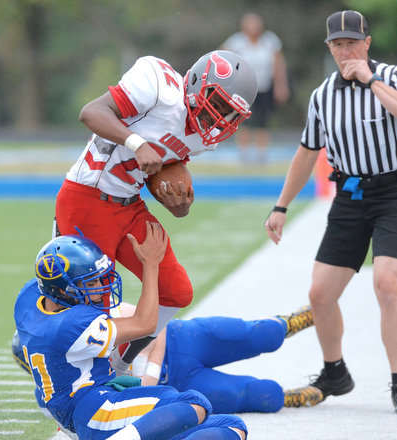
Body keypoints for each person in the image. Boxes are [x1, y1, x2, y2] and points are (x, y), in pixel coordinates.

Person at [54, 50, 258, 377]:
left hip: (129, 205)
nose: (216, 117)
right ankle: (69, 382)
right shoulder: (158, 85)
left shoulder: (205, 140)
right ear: (196, 83)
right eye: (216, 103)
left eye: (228, 112)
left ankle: (120, 363)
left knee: (176, 291)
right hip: (87, 199)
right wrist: (136, 143)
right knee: (91, 310)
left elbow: (157, 174)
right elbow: (91, 112)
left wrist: (181, 205)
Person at [13, 226, 249, 440]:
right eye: (91, 282)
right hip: (95, 411)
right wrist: (150, 265)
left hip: (90, 408)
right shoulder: (70, 327)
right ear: (64, 290)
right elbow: (145, 323)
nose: (100, 286)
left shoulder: (31, 298)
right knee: (194, 402)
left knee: (234, 427)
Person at [264, 10, 397, 412]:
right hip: (350, 197)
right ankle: (335, 371)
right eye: (337, 44)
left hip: (392, 193)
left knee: (388, 285)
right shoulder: (323, 95)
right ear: (329, 48)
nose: (345, 51)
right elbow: (307, 153)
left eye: (351, 43)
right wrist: (281, 205)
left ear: (367, 43)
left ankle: (396, 380)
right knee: (320, 294)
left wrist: (370, 81)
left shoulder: (389, 77)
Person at [14, 303, 322, 413]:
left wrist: (150, 374)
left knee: (264, 334)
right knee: (263, 395)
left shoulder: (82, 325)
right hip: (178, 385)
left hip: (183, 339)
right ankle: (288, 396)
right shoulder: (69, 388)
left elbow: (154, 325)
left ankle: (289, 321)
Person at [221, 13, 290, 164]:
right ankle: (244, 155)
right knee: (242, 120)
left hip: (264, 86)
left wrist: (281, 85)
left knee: (263, 121)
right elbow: (221, 59)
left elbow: (278, 64)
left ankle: (261, 155)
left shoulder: (270, 41)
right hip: (243, 88)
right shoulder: (237, 42)